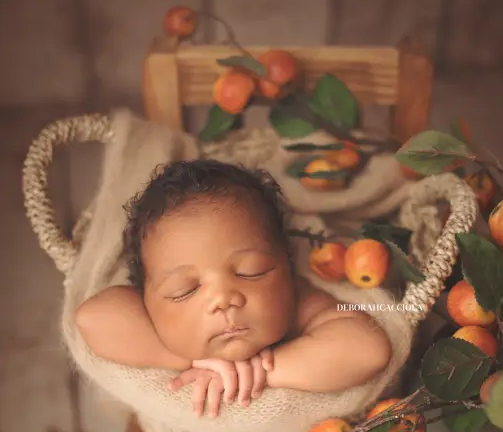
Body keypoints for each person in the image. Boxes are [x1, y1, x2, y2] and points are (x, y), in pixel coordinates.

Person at [75, 159, 391, 418]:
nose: (223, 299)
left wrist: (263, 370)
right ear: (146, 300)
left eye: (250, 271)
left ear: (286, 264)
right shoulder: (150, 320)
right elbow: (92, 318)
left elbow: (367, 349)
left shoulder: (298, 301)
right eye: (184, 290)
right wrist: (191, 361)